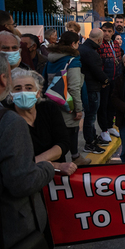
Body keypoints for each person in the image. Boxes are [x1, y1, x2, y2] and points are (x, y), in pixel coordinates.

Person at [0, 50, 55, 249]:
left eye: (29, 88)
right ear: (4, 80)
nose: (23, 92)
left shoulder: (47, 111)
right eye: (17, 86)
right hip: (9, 227)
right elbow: (21, 182)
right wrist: (46, 167)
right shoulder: (9, 121)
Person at [7, 68, 80, 171]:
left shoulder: (49, 108)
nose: (23, 93)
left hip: (55, 177)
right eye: (18, 89)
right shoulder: (7, 119)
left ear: (38, 93)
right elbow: (15, 161)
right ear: (10, 95)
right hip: (27, 178)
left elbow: (63, 142)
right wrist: (54, 165)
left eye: (29, 88)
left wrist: (34, 162)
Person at [44, 32, 91, 160]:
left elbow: (44, 81)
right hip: (67, 103)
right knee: (70, 133)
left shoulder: (51, 58)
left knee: (57, 134)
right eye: (77, 43)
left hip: (52, 100)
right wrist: (79, 109)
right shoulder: (72, 60)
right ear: (73, 44)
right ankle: (73, 159)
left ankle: (66, 159)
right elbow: (74, 87)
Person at [79, 28, 110, 152]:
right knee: (91, 116)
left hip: (87, 86)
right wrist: (106, 81)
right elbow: (97, 71)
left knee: (90, 115)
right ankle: (90, 142)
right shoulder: (92, 53)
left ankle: (92, 137)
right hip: (92, 87)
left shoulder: (83, 48)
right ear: (99, 39)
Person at [97, 22, 122, 143]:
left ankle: (110, 126)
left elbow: (119, 61)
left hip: (115, 80)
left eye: (109, 31)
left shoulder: (115, 44)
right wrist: (102, 79)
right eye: (104, 31)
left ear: (113, 32)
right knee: (103, 105)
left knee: (112, 104)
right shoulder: (98, 45)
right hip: (104, 81)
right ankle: (104, 130)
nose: (106, 33)